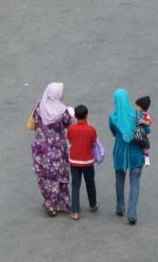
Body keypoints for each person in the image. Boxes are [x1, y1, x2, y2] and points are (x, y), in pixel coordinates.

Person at [30, 82, 74, 217]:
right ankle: (53, 204)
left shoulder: (39, 105)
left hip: (40, 147)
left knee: (43, 174)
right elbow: (70, 125)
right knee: (57, 175)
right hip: (57, 148)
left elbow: (34, 120)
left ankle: (48, 199)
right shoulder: (63, 111)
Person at [109, 88, 149, 225]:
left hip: (120, 153)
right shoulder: (137, 114)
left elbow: (114, 133)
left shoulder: (113, 117)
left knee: (119, 179)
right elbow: (147, 130)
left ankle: (120, 207)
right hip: (136, 154)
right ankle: (132, 214)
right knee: (135, 182)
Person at [67, 104, 99, 220]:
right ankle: (93, 204)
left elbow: (69, 138)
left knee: (75, 184)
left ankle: (74, 211)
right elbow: (94, 142)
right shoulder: (91, 129)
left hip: (74, 160)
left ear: (75, 116)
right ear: (87, 115)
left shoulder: (71, 128)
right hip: (87, 161)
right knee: (90, 182)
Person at [135, 95, 152, 165]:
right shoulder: (136, 113)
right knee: (141, 143)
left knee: (146, 146)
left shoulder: (145, 115)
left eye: (136, 106)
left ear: (141, 107)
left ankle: (147, 159)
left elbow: (149, 122)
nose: (135, 107)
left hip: (142, 133)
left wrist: (143, 121)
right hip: (138, 132)